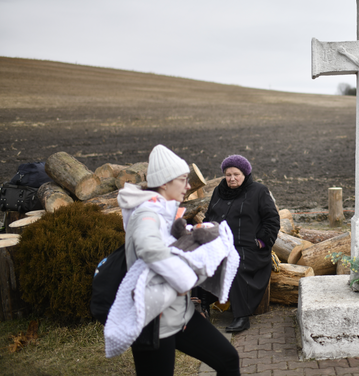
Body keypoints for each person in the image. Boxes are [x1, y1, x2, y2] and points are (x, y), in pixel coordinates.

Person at [116, 144, 240, 376]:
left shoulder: (163, 211)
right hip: (156, 323)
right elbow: (149, 248)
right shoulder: (146, 214)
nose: (189, 185)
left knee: (228, 359)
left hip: (181, 316)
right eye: (183, 179)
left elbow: (172, 248)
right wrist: (183, 280)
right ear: (164, 182)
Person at [205, 154, 280, 333]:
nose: (232, 178)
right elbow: (210, 216)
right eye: (228, 174)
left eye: (236, 174)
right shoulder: (218, 191)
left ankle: (241, 316)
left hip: (249, 248)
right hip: (221, 245)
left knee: (235, 266)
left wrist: (262, 241)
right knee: (201, 262)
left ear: (245, 174)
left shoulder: (259, 191)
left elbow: (272, 219)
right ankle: (201, 308)